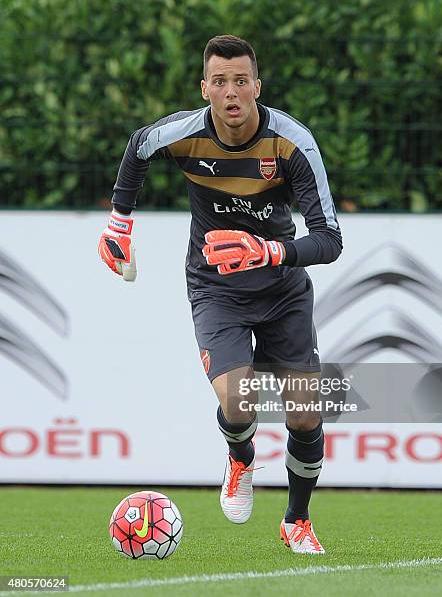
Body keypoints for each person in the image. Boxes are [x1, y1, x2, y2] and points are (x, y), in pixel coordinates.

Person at [99, 35, 342, 554]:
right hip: (216, 288)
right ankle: (240, 457)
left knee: (304, 414)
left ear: (257, 86)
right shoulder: (185, 134)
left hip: (282, 291)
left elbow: (329, 240)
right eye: (219, 81)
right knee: (238, 399)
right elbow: (138, 147)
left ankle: (296, 520)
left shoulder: (292, 143)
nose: (231, 92)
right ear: (204, 88)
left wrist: (269, 252)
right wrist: (120, 225)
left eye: (240, 80)